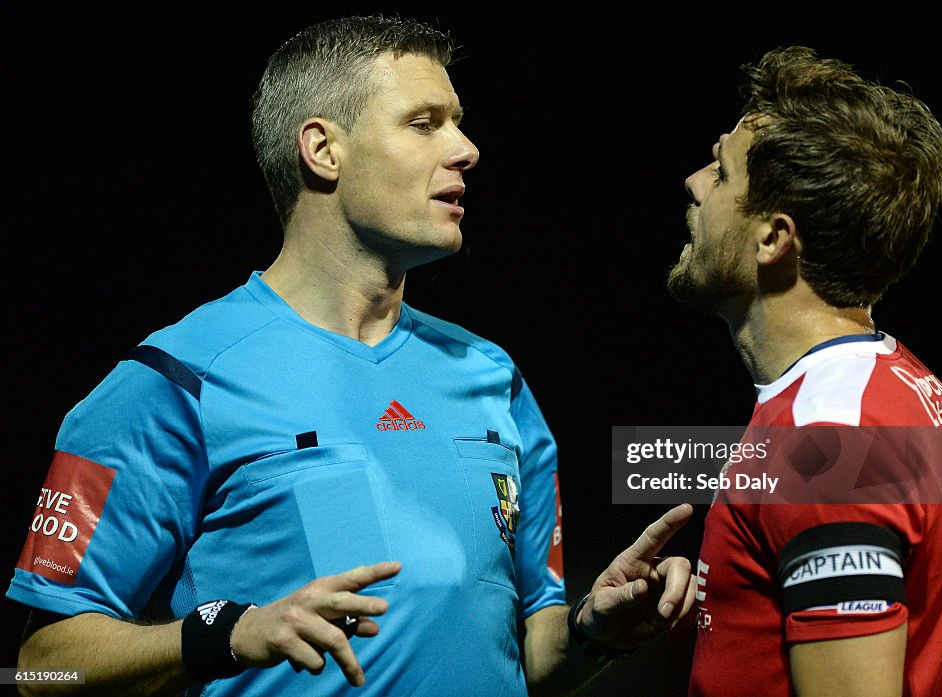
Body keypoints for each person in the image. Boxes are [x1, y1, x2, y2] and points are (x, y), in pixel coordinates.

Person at [9, 15, 697, 697]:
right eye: (424, 123)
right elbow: (39, 669)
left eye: (457, 121)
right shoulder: (176, 376)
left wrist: (597, 632)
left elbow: (534, 659)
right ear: (323, 150)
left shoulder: (495, 378)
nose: (467, 149)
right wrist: (223, 633)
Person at [666, 47, 942, 696]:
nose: (695, 183)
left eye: (722, 174)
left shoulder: (824, 440)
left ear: (774, 239)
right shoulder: (901, 381)